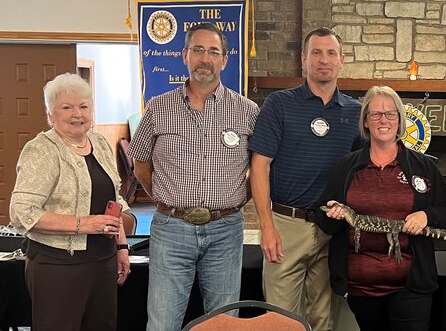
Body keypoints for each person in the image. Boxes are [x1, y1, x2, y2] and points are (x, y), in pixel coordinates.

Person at [129, 22, 259, 331]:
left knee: (224, 323)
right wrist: (169, 198)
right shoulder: (158, 109)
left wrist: (234, 202)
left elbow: (260, 169)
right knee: (162, 322)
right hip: (171, 229)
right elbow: (141, 165)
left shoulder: (248, 111)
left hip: (226, 229)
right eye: (198, 49)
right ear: (185, 55)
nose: (205, 58)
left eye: (213, 51)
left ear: (225, 60)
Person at [249, 27, 361, 331]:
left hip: (331, 229)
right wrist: (267, 227)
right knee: (282, 320)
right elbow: (260, 167)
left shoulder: (356, 113)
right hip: (286, 225)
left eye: (331, 53)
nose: (323, 60)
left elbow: (366, 173)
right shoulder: (279, 105)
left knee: (323, 319)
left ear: (342, 61)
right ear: (303, 59)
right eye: (316, 52)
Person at [316, 85, 446, 331]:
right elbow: (324, 221)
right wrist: (336, 215)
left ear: (400, 121)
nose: (383, 120)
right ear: (366, 121)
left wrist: (426, 214)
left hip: (412, 287)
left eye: (390, 114)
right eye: (376, 114)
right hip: (360, 289)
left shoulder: (424, 166)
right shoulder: (346, 168)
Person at [10, 72, 131, 331]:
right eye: (67, 107)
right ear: (51, 114)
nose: (77, 113)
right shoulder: (42, 150)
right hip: (58, 267)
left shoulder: (98, 141)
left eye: (84, 106)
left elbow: (115, 198)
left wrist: (122, 247)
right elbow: (22, 212)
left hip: (103, 263)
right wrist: (83, 224)